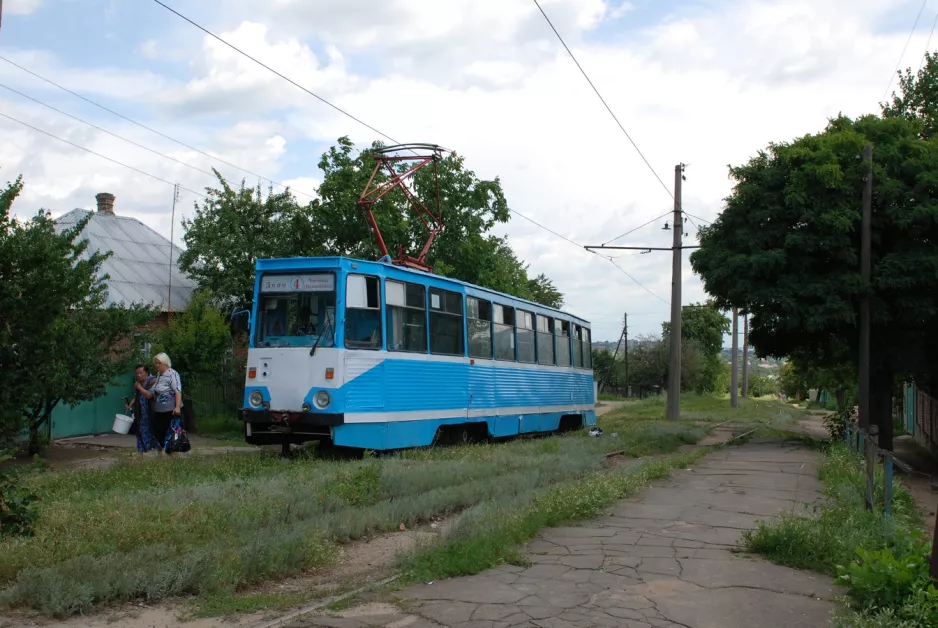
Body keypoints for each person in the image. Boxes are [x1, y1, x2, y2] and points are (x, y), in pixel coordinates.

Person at [151, 352, 184, 454]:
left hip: (170, 408)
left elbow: (177, 390)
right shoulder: (159, 375)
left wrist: (177, 406)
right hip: (159, 408)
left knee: (170, 431)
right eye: (155, 363)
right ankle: (161, 452)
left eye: (158, 363)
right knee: (158, 430)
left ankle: (171, 453)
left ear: (165, 363)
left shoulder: (172, 374)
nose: (156, 365)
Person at [126, 364, 158, 454]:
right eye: (137, 373)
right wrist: (130, 405)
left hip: (152, 412)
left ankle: (160, 455)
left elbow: (149, 395)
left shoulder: (153, 381)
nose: (139, 375)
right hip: (141, 414)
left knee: (155, 433)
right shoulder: (138, 383)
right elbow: (136, 397)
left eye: (141, 373)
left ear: (146, 372)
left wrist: (140, 388)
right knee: (140, 433)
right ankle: (140, 456)